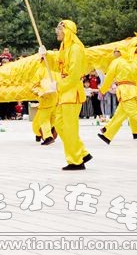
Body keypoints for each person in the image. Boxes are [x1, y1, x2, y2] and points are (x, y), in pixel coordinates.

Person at [53, 20, 91, 170]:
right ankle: (81, 152)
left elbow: (74, 75)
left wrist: (59, 86)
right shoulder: (65, 47)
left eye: (59, 29)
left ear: (66, 31)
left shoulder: (75, 49)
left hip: (72, 91)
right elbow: (58, 63)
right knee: (59, 124)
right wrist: (45, 55)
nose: (56, 31)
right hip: (65, 91)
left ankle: (76, 160)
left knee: (70, 128)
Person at [97, 41, 137, 144]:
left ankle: (108, 132)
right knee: (120, 114)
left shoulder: (116, 62)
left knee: (135, 113)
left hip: (125, 91)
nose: (114, 52)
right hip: (133, 90)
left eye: (116, 51)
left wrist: (102, 90)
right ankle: (108, 135)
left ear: (120, 52)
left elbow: (109, 78)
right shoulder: (135, 62)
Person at [30, 51, 58, 145]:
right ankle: (41, 134)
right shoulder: (55, 68)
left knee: (44, 119)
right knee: (50, 118)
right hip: (56, 99)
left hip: (46, 99)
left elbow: (34, 85)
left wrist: (38, 92)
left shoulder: (41, 70)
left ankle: (48, 136)